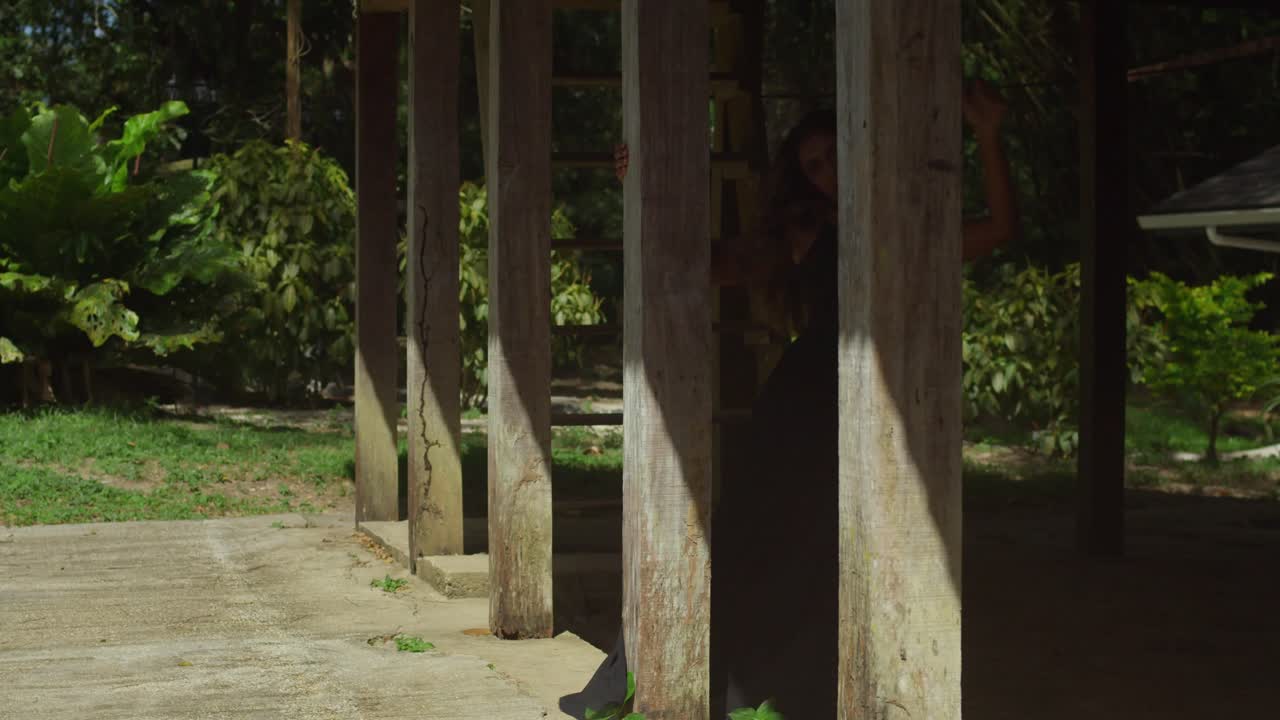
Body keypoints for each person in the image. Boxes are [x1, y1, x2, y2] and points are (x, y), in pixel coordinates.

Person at [561, 79, 1017, 719]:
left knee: (842, 551)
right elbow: (694, 261)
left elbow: (997, 228)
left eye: (836, 154)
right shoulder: (802, 231)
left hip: (885, 402)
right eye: (814, 164)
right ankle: (693, 672)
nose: (829, 172)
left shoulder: (903, 218)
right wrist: (639, 191)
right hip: (803, 404)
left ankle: (819, 687)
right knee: (752, 537)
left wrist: (989, 137)